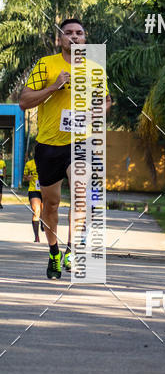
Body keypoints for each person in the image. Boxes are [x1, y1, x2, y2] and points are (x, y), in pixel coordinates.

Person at [19, 18, 111, 279]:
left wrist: (97, 112)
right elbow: (24, 102)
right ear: (59, 39)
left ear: (85, 39)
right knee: (51, 204)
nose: (74, 37)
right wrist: (53, 87)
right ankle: (54, 252)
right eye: (68, 33)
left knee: (81, 194)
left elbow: (106, 101)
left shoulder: (95, 69)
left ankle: (73, 249)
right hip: (49, 144)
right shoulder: (46, 65)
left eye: (79, 33)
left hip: (81, 141)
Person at [23, 155, 44, 241]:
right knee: (36, 211)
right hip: (33, 190)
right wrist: (27, 178)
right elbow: (24, 177)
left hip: (46, 190)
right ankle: (37, 236)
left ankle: (42, 222)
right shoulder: (29, 164)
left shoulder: (47, 162)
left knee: (44, 212)